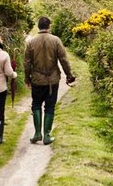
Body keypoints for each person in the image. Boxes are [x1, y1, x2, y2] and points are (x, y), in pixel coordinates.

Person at [23, 16, 75, 145]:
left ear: (38, 26)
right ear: (49, 26)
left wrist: (27, 78)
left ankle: (37, 134)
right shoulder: (56, 40)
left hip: (37, 80)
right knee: (50, 106)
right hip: (53, 80)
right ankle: (46, 135)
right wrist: (69, 74)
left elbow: (26, 63)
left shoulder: (31, 42)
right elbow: (63, 60)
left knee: (36, 105)